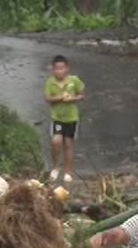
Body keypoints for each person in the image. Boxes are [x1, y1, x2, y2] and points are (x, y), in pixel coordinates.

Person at [43, 55, 85, 184]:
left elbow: (82, 95)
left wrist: (73, 98)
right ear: (53, 70)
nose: (59, 71)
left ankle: (68, 171)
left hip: (71, 117)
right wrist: (60, 98)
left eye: (62, 68)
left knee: (68, 144)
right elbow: (48, 99)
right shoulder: (50, 82)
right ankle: (55, 167)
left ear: (67, 68)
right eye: (57, 69)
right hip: (57, 117)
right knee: (56, 141)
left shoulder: (74, 81)